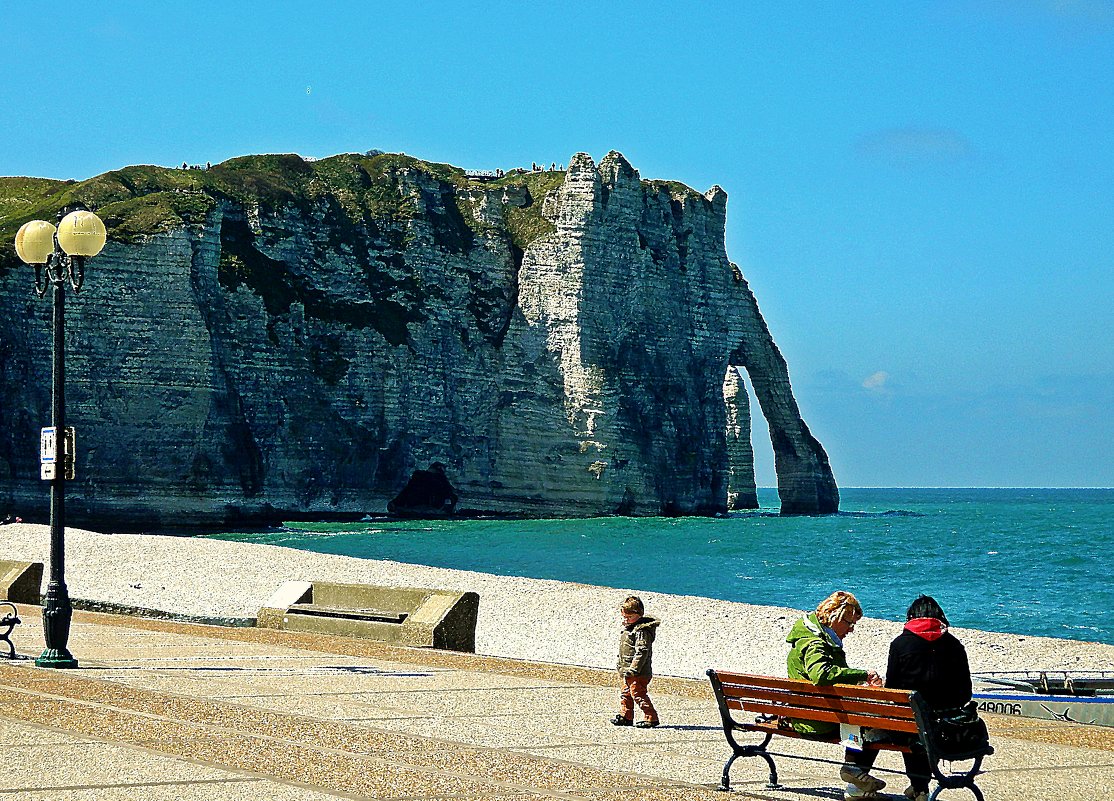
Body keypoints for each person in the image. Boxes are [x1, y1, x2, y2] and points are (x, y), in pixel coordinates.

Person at [786, 591, 885, 799]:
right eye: (850, 623)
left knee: (866, 716)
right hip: (816, 720)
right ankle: (853, 771)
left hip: (807, 712)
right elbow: (820, 674)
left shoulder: (811, 636)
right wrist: (863, 674)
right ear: (836, 617)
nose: (851, 629)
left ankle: (856, 782)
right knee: (875, 721)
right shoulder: (815, 643)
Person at [886, 595, 973, 801]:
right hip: (949, 727)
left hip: (910, 726)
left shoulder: (900, 644)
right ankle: (919, 787)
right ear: (939, 616)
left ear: (911, 617)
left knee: (911, 722)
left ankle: (919, 787)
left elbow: (892, 689)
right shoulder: (954, 645)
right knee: (919, 724)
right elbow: (966, 691)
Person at [610, 595, 661, 728]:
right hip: (626, 670)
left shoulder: (641, 631)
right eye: (624, 617)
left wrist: (634, 669)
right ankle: (626, 715)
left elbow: (642, 651)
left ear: (639, 614)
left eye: (629, 617)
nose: (626, 620)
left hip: (638, 672)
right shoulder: (629, 628)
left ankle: (651, 716)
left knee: (638, 694)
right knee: (626, 693)